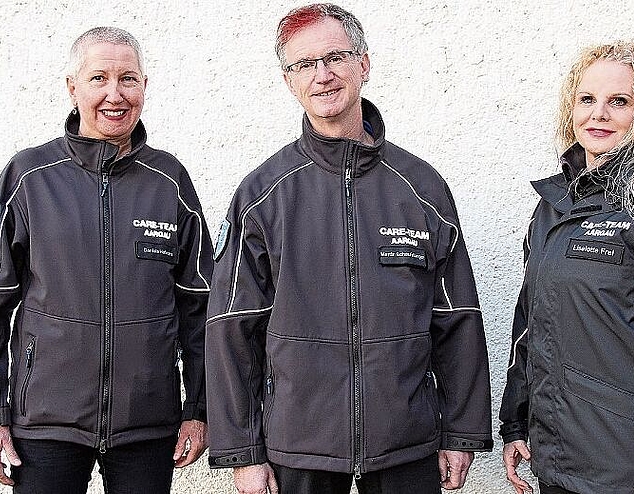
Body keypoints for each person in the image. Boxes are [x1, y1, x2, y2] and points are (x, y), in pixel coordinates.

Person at [205, 4, 493, 494]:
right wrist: (243, 451)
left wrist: (461, 433)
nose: (323, 75)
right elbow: (232, 328)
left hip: (406, 443)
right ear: (288, 80)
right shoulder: (263, 195)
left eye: (335, 57)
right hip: (299, 447)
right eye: (304, 65)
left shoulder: (421, 189)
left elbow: (457, 316)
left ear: (364, 63)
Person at [0, 27, 213, 493]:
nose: (114, 95)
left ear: (144, 87)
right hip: (45, 426)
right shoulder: (29, 177)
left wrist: (197, 409)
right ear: (72, 88)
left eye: (128, 79)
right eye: (99, 78)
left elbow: (200, 308)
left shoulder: (169, 181)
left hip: (148, 424)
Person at [499, 41, 634, 494]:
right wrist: (517, 422)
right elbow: (530, 324)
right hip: (553, 461)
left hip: (624, 471)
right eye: (587, 99)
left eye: (620, 101)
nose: (599, 114)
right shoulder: (552, 208)